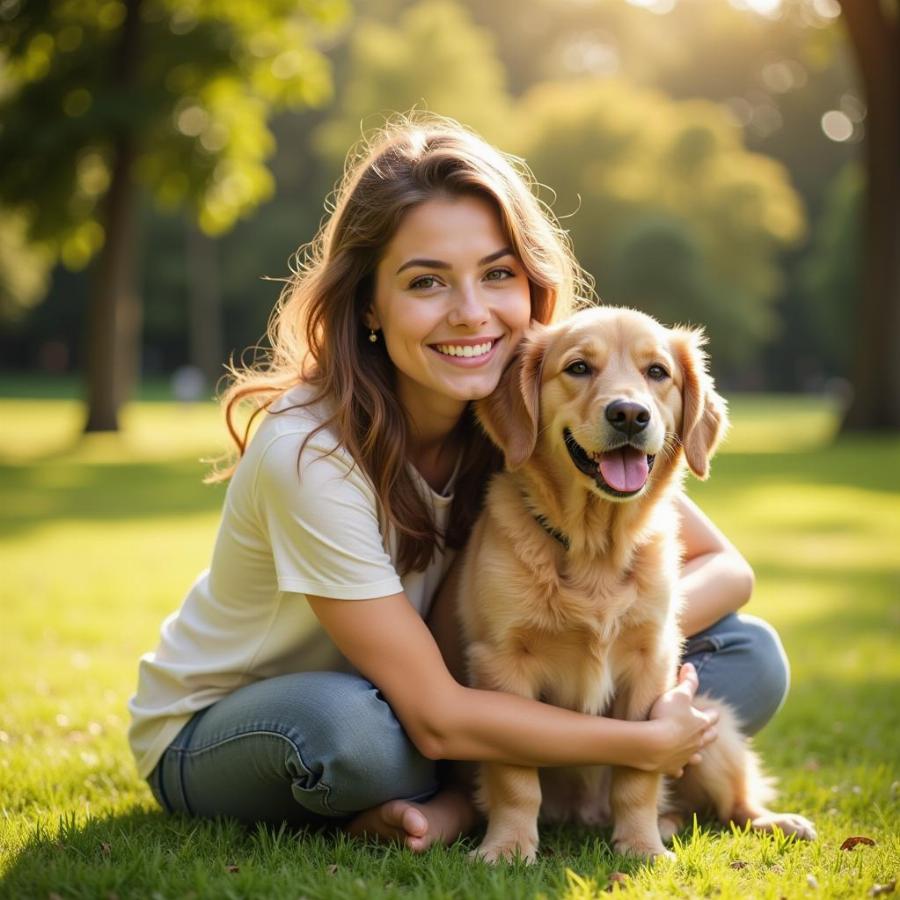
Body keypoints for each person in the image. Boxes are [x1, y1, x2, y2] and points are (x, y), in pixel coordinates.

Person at [128, 115, 790, 852]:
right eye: (426, 282)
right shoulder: (307, 450)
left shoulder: (539, 416)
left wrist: (616, 636)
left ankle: (450, 798)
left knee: (748, 655)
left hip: (440, 691)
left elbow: (727, 570)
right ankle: (456, 797)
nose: (471, 311)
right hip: (250, 719)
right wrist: (642, 741)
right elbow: (438, 714)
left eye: (498, 273)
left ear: (531, 284)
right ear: (370, 304)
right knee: (357, 734)